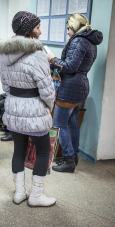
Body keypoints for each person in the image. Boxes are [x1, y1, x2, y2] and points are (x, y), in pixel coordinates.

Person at [0, 11, 56, 207]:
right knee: (43, 151)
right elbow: (47, 90)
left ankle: (19, 193)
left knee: (18, 151)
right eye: (38, 27)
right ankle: (36, 196)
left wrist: (17, 98)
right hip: (34, 109)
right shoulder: (37, 54)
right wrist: (48, 106)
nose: (40, 31)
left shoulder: (4, 53)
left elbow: (6, 86)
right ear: (29, 30)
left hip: (13, 106)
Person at [47, 13, 103, 173]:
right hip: (81, 86)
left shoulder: (78, 41)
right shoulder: (90, 41)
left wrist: (53, 60)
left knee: (59, 123)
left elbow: (70, 67)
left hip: (71, 86)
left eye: (68, 29)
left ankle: (69, 159)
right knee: (72, 123)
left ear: (74, 27)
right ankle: (74, 155)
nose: (67, 32)